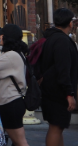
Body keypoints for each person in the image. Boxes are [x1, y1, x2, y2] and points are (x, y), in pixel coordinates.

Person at [40, 8, 78, 146]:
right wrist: (69, 93)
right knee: (56, 127)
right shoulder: (62, 41)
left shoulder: (50, 38)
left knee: (57, 127)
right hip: (58, 92)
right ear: (70, 23)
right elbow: (63, 69)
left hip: (51, 89)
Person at [0, 24, 30, 146]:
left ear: (4, 37)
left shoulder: (10, 56)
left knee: (20, 142)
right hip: (13, 102)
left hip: (9, 103)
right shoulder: (18, 53)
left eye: (0, 36)